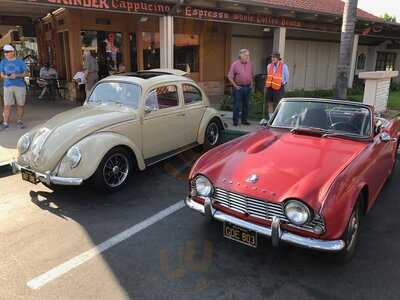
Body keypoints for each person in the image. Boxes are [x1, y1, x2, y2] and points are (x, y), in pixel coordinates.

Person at [0, 44, 29, 130]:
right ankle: (5, 123)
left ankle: (19, 121)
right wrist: (6, 76)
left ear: (12, 52)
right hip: (7, 86)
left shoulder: (20, 61)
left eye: (7, 52)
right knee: (7, 105)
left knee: (20, 104)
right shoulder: (3, 62)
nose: (5, 54)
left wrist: (17, 75)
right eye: (5, 52)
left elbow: (27, 73)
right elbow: (1, 74)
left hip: (20, 86)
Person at [227, 49, 254, 126]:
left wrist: (252, 84)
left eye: (248, 55)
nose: (248, 57)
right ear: (241, 55)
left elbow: (251, 75)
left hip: (248, 87)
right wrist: (235, 86)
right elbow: (230, 77)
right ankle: (235, 121)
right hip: (239, 88)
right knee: (237, 105)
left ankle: (244, 120)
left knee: (246, 105)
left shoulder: (250, 64)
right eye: (246, 55)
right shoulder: (235, 64)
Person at [265, 52, 289, 120]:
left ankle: (279, 119)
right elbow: (268, 76)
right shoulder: (269, 66)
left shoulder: (284, 66)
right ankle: (271, 119)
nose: (272, 59)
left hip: (279, 87)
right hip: (270, 87)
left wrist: (283, 83)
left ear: (278, 58)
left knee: (279, 104)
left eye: (274, 57)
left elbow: (286, 77)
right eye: (272, 57)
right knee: (270, 103)